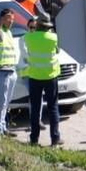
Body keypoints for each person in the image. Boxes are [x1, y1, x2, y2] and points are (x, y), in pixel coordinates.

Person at [22, 14, 63, 146]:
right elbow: (58, 51)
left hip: (34, 76)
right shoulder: (54, 38)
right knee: (53, 108)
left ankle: (34, 139)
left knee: (35, 108)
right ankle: (55, 139)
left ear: (37, 25)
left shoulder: (29, 37)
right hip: (51, 76)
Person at [0, 5, 21, 136]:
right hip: (1, 71)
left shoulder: (9, 32)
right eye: (8, 19)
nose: (11, 21)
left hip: (10, 70)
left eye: (12, 19)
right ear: (1, 19)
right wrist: (0, 22)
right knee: (1, 101)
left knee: (6, 101)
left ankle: (3, 127)